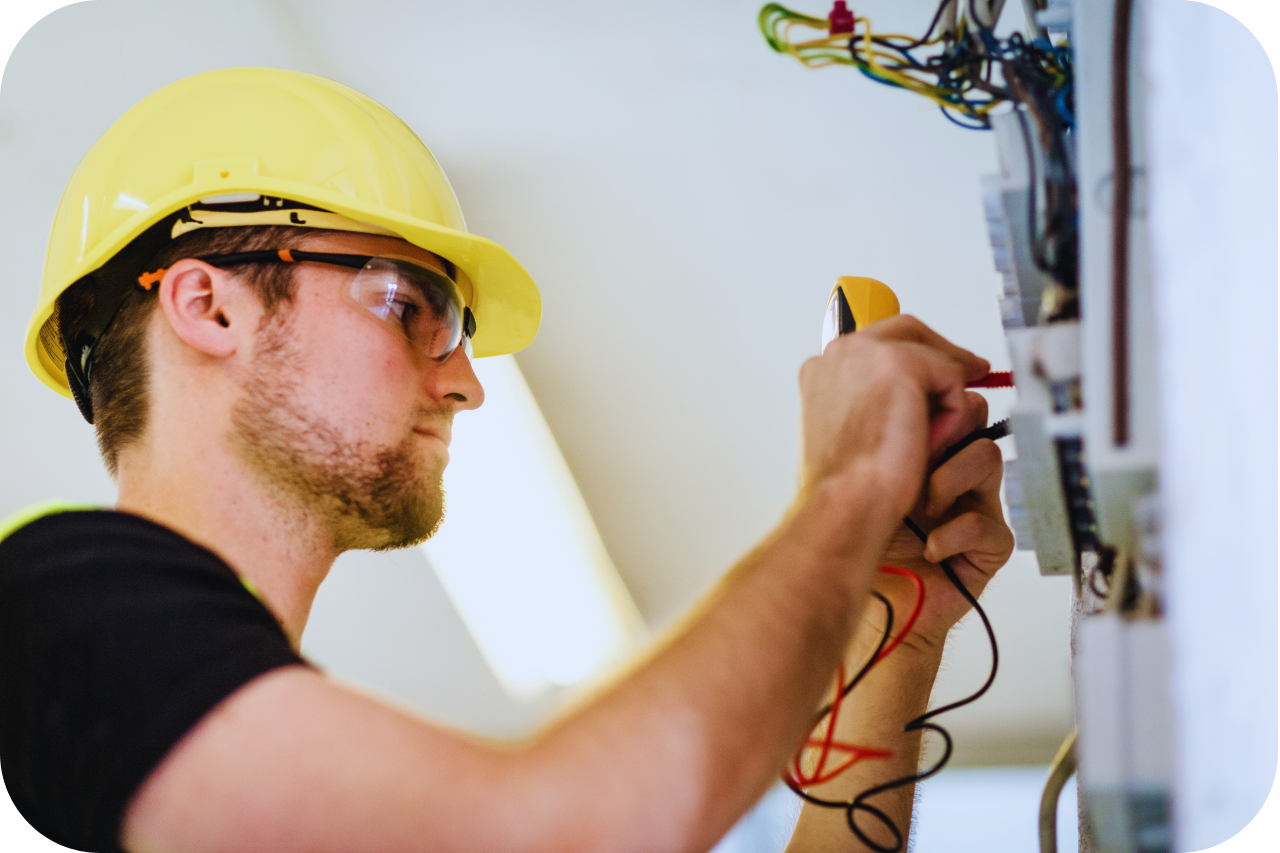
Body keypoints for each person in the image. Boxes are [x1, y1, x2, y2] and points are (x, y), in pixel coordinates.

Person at [0, 68, 1013, 853]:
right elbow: (565, 826)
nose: (465, 382)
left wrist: (890, 631)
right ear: (209, 305)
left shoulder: (300, 789)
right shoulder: (49, 613)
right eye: (412, 307)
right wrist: (842, 489)